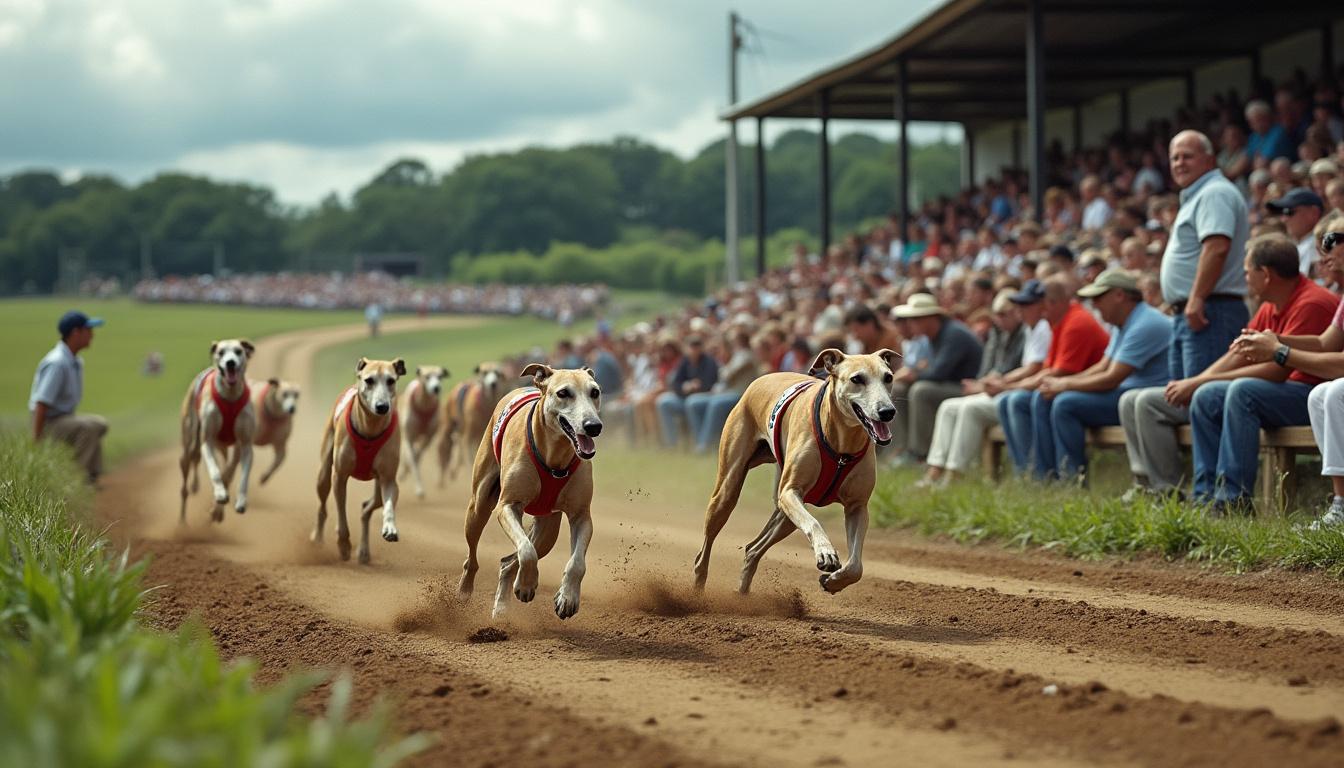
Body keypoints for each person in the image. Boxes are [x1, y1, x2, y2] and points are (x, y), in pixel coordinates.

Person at [1183, 235, 1337, 513]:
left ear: (1265, 274)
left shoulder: (1312, 302)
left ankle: (1233, 501)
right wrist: (1196, 382)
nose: (1244, 278)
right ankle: (1205, 498)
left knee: (1243, 391)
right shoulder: (1269, 303)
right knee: (1206, 396)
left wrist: (1200, 380)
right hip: (1291, 393)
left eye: (1246, 271)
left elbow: (1277, 370)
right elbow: (1240, 350)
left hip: (1311, 395)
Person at [1232, 224, 1344, 528]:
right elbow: (1324, 343)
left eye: (1333, 241)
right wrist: (1275, 339)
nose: (1324, 253)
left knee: (1334, 392)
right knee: (1320, 394)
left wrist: (1279, 351)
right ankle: (1341, 506)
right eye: (1321, 243)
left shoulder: (1314, 298)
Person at [1028, 270, 1171, 481]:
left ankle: (1072, 480)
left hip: (1147, 396)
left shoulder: (1145, 322)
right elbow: (1103, 366)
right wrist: (1060, 383)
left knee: (1066, 403)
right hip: (1130, 393)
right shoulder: (1124, 322)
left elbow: (1111, 378)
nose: (1094, 304)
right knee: (1049, 397)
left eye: (1098, 298)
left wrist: (1064, 384)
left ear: (1119, 295)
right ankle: (1046, 477)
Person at [920, 288, 1045, 487]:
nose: (999, 319)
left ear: (1015, 313)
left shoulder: (1026, 332)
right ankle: (935, 469)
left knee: (969, 409)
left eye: (1004, 313)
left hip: (1013, 394)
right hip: (998, 390)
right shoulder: (998, 333)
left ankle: (955, 474)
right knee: (949, 406)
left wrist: (997, 383)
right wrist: (983, 383)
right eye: (996, 314)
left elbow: (1030, 370)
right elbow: (986, 370)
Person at [1160, 130, 1251, 387]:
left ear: (1210, 160)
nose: (1179, 163)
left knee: (1203, 400)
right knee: (1184, 402)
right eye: (1174, 158)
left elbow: (1217, 247)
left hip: (1210, 312)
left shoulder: (1214, 193)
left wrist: (1196, 298)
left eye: (1187, 156)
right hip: (1195, 311)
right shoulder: (1198, 194)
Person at [998, 276, 1110, 476]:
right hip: (1080, 385)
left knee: (1034, 398)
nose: (1039, 308)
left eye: (1041, 303)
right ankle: (1026, 472)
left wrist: (1010, 386)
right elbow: (1050, 369)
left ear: (1052, 302)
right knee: (1010, 400)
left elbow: (1061, 372)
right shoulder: (1058, 321)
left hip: (1095, 389)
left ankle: (1047, 474)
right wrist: (1009, 386)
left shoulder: (1075, 322)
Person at [888, 293, 983, 464]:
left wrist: (913, 374)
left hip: (970, 387)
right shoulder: (934, 335)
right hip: (951, 384)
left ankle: (922, 453)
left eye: (915, 319)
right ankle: (906, 447)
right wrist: (915, 373)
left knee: (921, 390)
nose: (910, 324)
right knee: (900, 388)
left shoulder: (953, 334)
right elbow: (928, 368)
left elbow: (938, 373)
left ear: (930, 318)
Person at [29, 310, 108, 484]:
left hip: (64, 419)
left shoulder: (75, 361)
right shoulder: (58, 363)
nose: (92, 335)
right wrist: (37, 440)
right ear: (75, 333)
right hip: (49, 423)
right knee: (86, 428)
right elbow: (41, 403)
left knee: (99, 424)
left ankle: (92, 475)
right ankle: (75, 480)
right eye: (88, 330)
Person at [655, 335, 718, 448]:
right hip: (684, 396)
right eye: (691, 348)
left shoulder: (709, 361)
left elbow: (710, 383)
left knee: (692, 402)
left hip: (703, 397)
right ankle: (672, 443)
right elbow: (676, 383)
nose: (693, 351)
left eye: (696, 347)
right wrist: (686, 386)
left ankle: (700, 443)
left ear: (701, 348)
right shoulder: (685, 361)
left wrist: (697, 386)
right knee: (663, 402)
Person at [1264, 188, 1326, 279]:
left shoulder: (1318, 245)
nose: (1283, 219)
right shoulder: (1300, 243)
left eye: (1289, 212)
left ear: (1313, 213)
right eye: (1282, 213)